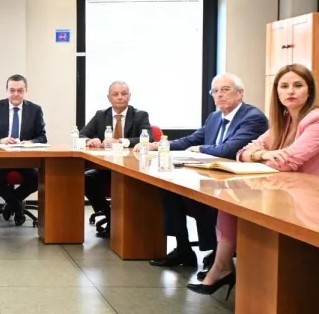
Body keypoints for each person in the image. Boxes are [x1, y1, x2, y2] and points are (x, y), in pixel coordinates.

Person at [188, 64, 319, 299]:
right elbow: (242, 152)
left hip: (314, 198)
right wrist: (262, 153)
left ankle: (236, 273)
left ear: (309, 90)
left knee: (242, 203)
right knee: (230, 202)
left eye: (298, 85)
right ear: (277, 92)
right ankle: (223, 265)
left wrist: (258, 155)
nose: (290, 91)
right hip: (285, 190)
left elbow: (288, 161)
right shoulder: (284, 120)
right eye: (284, 86)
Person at [148, 73, 267, 273]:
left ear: (240, 93)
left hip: (238, 183)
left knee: (203, 197)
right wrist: (159, 146)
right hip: (212, 175)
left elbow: (228, 150)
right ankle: (183, 249)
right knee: (169, 189)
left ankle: (217, 253)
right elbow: (192, 139)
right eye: (215, 91)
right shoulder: (214, 117)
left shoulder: (253, 118)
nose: (219, 95)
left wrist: (200, 149)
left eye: (225, 90)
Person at [81, 81, 153, 237]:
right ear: (109, 98)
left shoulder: (140, 115)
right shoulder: (101, 115)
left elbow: (148, 138)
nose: (120, 97)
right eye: (115, 94)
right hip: (106, 168)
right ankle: (109, 216)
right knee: (85, 179)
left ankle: (131, 225)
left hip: (132, 170)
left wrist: (120, 141)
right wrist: (90, 140)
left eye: (124, 94)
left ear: (129, 96)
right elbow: (82, 134)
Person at [0, 74, 46, 225]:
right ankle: (17, 205)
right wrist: (0, 140)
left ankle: (10, 204)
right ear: (6, 91)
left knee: (38, 178)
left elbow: (42, 137)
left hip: (25, 160)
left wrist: (30, 142)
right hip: (1, 158)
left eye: (20, 90)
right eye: (12, 90)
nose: (16, 94)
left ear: (26, 91)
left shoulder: (35, 110)